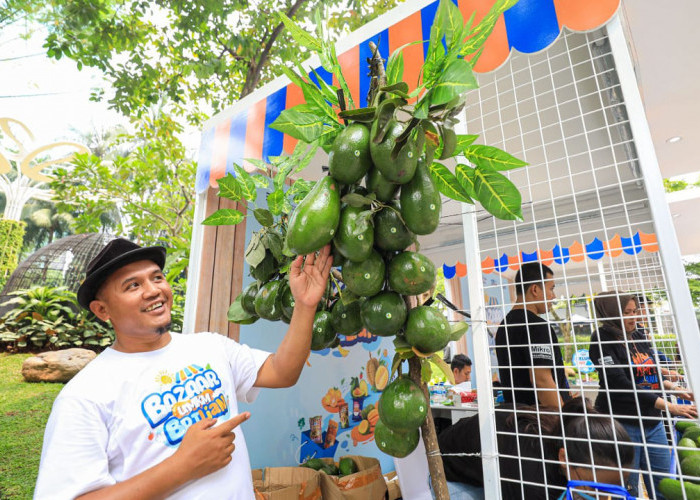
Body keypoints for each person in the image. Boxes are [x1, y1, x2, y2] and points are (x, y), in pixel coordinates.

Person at [34, 238, 333, 499]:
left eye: (157, 277)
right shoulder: (85, 396)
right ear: (102, 310)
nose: (153, 291)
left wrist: (305, 306)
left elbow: (283, 372)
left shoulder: (209, 347)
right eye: (133, 285)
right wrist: (182, 467)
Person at [589, 291, 696, 499]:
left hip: (652, 422)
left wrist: (675, 389)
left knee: (665, 484)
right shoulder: (601, 339)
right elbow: (620, 383)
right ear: (611, 313)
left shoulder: (638, 335)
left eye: (635, 311)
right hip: (624, 424)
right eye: (627, 312)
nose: (634, 317)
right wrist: (670, 406)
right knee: (629, 489)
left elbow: (650, 372)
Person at [437, 398, 634, 499]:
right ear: (564, 458)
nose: (603, 497)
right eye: (594, 490)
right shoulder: (532, 480)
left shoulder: (567, 431)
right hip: (447, 475)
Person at [495, 262, 571, 409]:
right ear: (535, 289)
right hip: (543, 420)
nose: (553, 296)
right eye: (551, 289)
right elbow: (541, 380)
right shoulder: (537, 326)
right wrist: (566, 418)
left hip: (517, 418)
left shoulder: (504, 325)